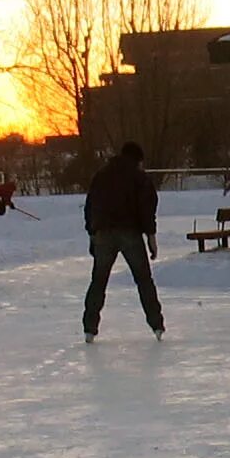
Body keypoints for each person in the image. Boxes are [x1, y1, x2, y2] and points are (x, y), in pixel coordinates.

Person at [82, 141, 163, 341]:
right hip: (130, 233)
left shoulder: (101, 175)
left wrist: (93, 232)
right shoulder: (139, 178)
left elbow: (89, 205)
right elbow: (147, 208)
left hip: (103, 233)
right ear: (138, 160)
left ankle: (89, 328)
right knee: (144, 280)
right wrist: (151, 236)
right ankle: (156, 324)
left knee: (98, 281)